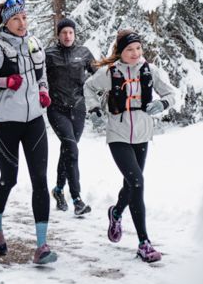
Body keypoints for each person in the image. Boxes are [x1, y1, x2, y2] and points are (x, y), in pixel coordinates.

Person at [0, 0, 57, 265]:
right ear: (6, 22)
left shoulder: (33, 44)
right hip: (6, 124)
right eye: (16, 19)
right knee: (9, 178)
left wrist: (43, 91)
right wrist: (3, 81)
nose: (22, 23)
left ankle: (42, 246)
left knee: (40, 180)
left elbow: (42, 75)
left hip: (35, 122)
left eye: (24, 17)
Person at [84, 29, 176, 263]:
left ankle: (115, 213)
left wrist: (162, 103)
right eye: (129, 49)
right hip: (118, 132)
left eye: (138, 48)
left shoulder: (149, 70)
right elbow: (89, 87)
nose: (135, 53)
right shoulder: (110, 72)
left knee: (131, 183)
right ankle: (144, 243)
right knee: (137, 181)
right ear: (120, 52)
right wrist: (94, 109)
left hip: (143, 133)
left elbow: (170, 93)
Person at [44, 17, 95, 216]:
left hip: (78, 109)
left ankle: (58, 190)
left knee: (68, 150)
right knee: (71, 149)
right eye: (64, 32)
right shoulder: (49, 54)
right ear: (58, 35)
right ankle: (77, 199)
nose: (67, 36)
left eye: (70, 32)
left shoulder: (84, 53)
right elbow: (35, 76)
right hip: (57, 109)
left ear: (74, 34)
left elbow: (99, 74)